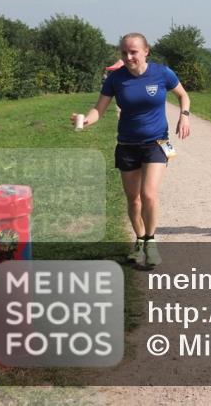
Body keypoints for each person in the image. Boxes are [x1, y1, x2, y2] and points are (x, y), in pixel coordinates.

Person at [71, 33, 191, 267]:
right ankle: (139, 240)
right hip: (127, 145)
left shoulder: (162, 73)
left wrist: (184, 117)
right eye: (124, 52)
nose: (128, 56)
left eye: (133, 52)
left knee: (148, 194)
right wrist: (86, 119)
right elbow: (99, 110)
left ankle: (151, 242)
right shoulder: (116, 79)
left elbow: (183, 95)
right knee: (133, 199)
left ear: (146, 51)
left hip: (158, 143)